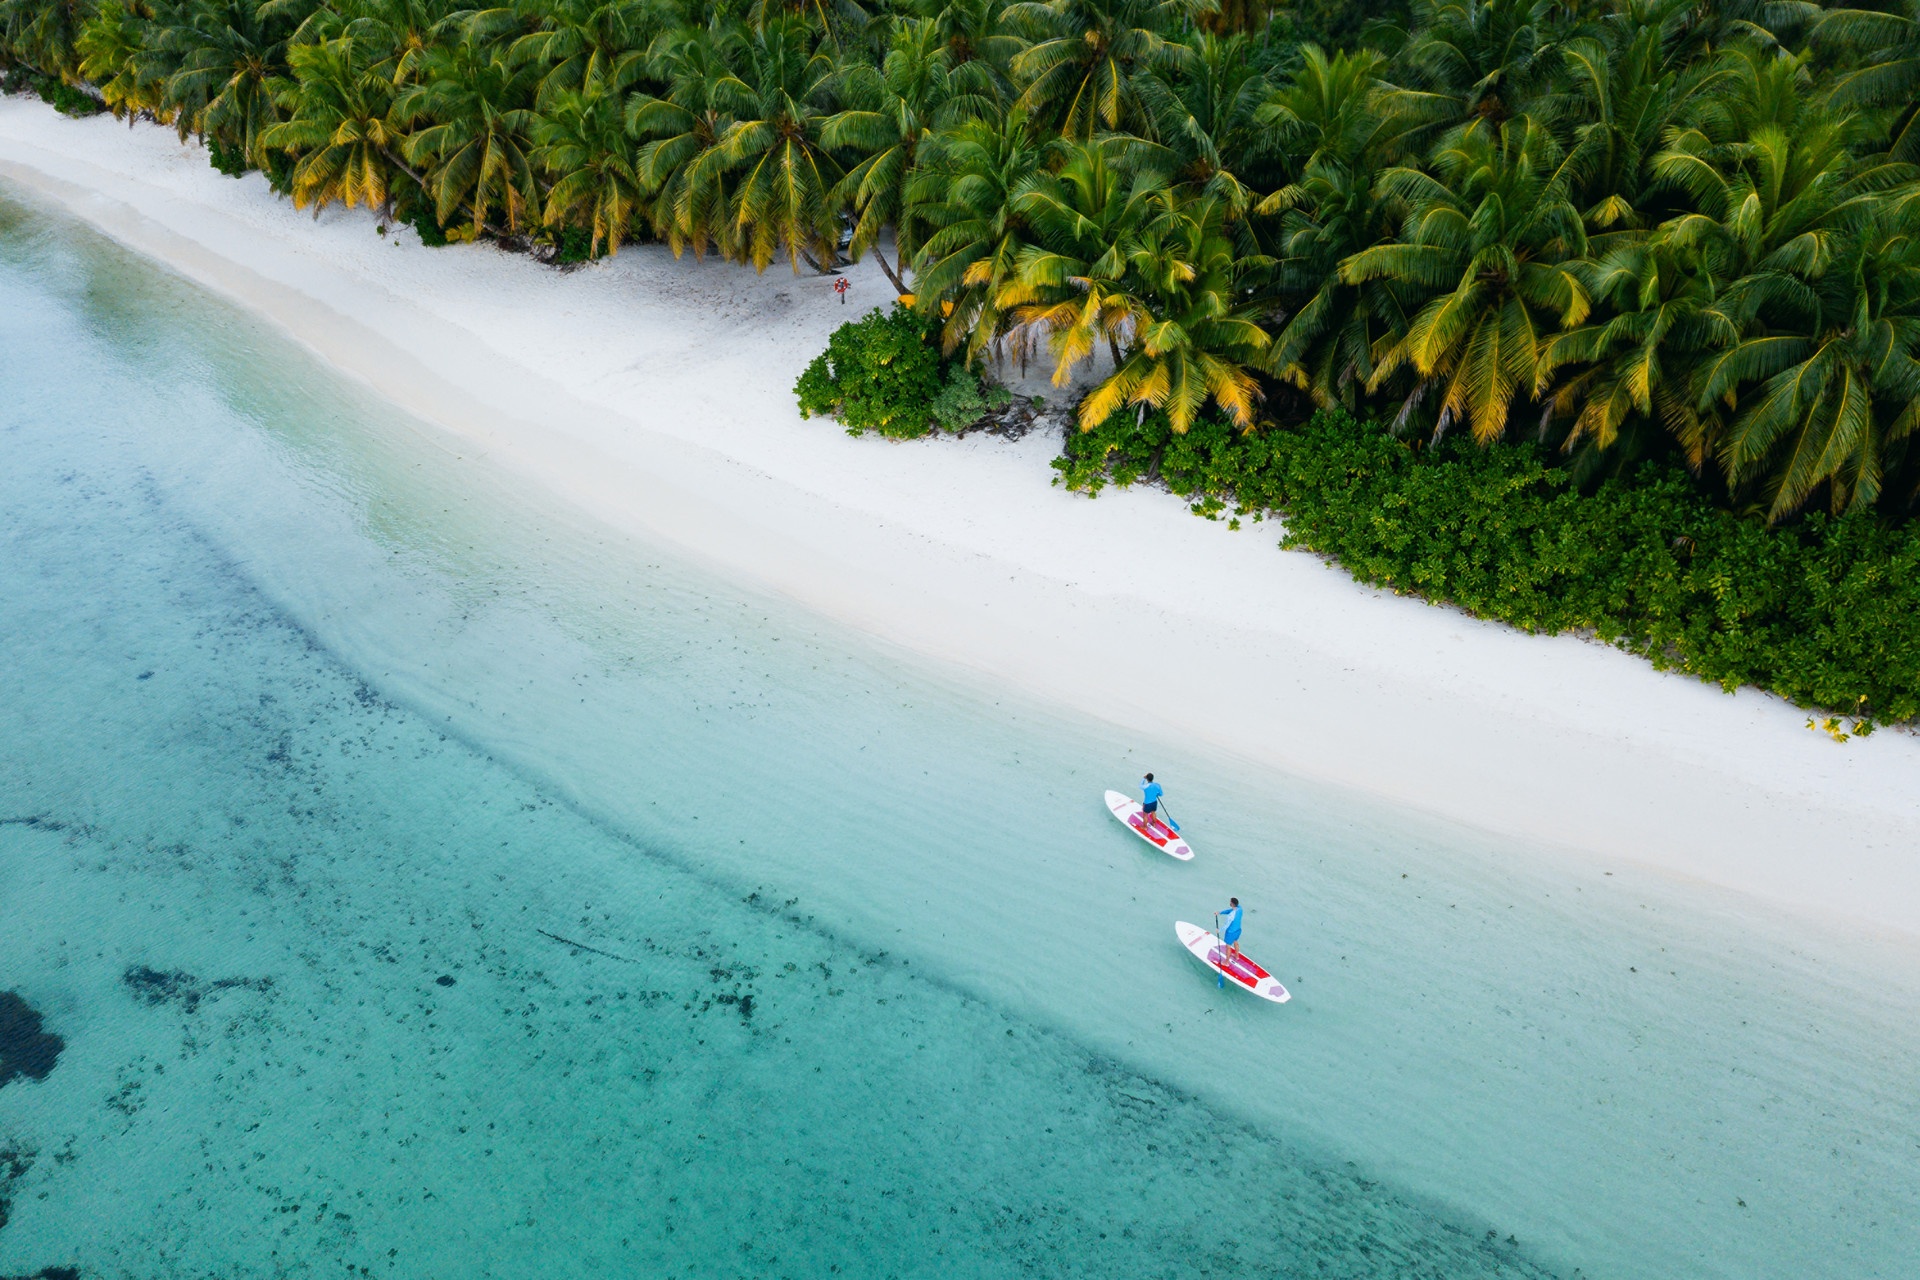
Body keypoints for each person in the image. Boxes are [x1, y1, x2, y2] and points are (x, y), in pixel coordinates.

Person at [1217, 897, 1243, 962]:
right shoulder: (1240, 909)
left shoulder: (1231, 916)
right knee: (1235, 942)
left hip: (1231, 932)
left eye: (1230, 902)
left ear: (1232, 903)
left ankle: (1226, 962)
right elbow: (1229, 910)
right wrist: (1220, 912)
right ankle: (1237, 956)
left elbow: (1226, 926)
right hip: (1238, 930)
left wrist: (1219, 930)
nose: (1229, 902)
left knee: (1228, 947)